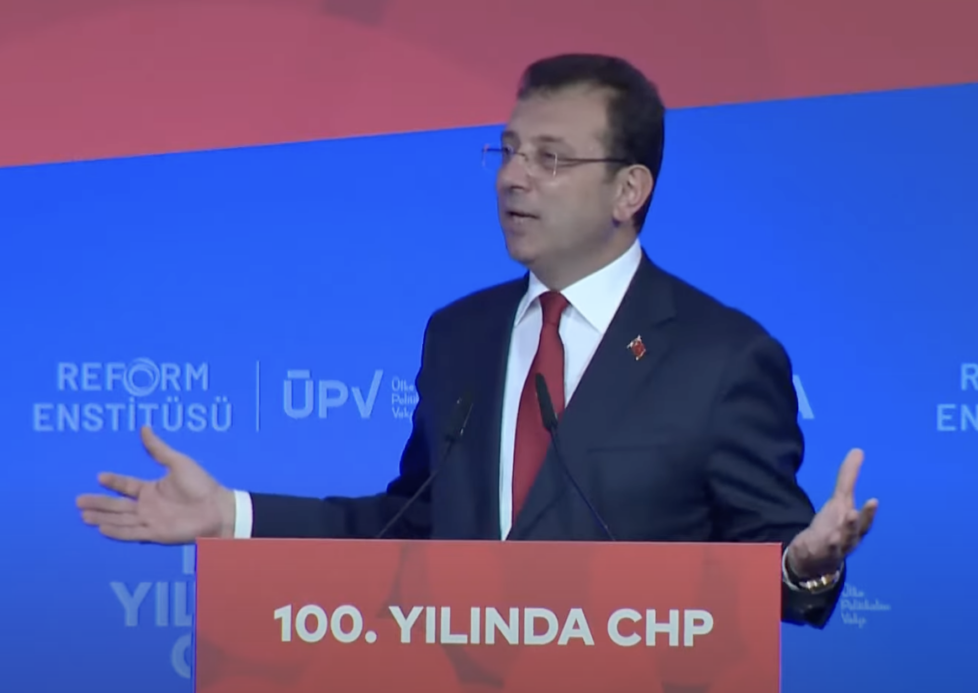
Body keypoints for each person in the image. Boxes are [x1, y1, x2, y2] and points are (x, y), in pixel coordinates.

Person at [77, 53, 877, 628]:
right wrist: (232, 514)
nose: (512, 176)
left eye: (550, 158)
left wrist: (803, 565)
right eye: (510, 149)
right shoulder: (460, 333)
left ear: (629, 190)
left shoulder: (722, 355)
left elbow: (777, 560)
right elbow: (411, 525)